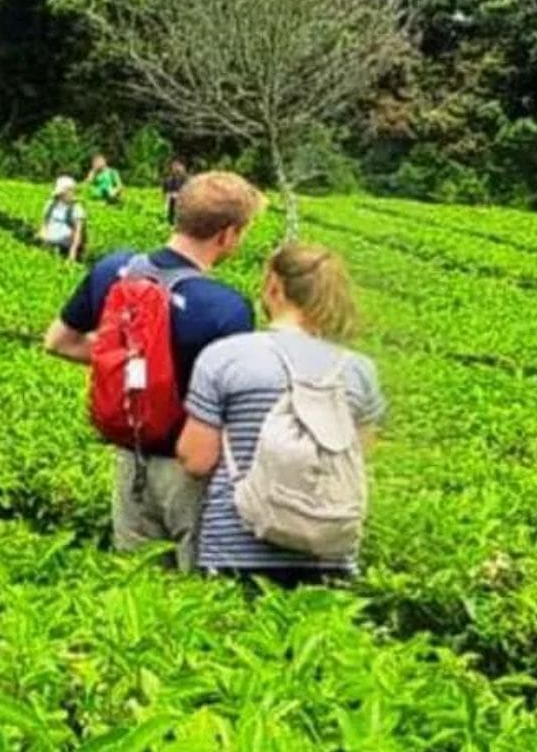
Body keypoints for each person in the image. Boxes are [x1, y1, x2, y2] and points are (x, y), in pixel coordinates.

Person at [43, 171, 264, 570]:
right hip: (191, 473)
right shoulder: (227, 308)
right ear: (228, 234)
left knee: (137, 585)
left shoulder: (113, 269)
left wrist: (131, 361)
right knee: (196, 592)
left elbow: (59, 341)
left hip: (130, 457)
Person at [175, 243, 384, 590]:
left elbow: (197, 459)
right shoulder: (359, 370)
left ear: (273, 287)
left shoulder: (225, 357)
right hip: (328, 550)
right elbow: (359, 455)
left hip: (237, 546)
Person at [38, 175, 87, 262]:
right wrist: (43, 243)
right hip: (50, 244)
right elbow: (45, 224)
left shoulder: (76, 209)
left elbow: (78, 233)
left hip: (66, 248)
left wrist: (72, 255)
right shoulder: (50, 204)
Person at [162, 159, 188, 226]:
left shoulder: (183, 178)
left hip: (179, 196)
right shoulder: (168, 178)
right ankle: (170, 223)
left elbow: (186, 187)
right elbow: (165, 188)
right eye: (174, 166)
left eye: (176, 166)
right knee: (169, 212)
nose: (175, 168)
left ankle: (177, 224)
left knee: (178, 213)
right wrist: (165, 196)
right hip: (170, 196)